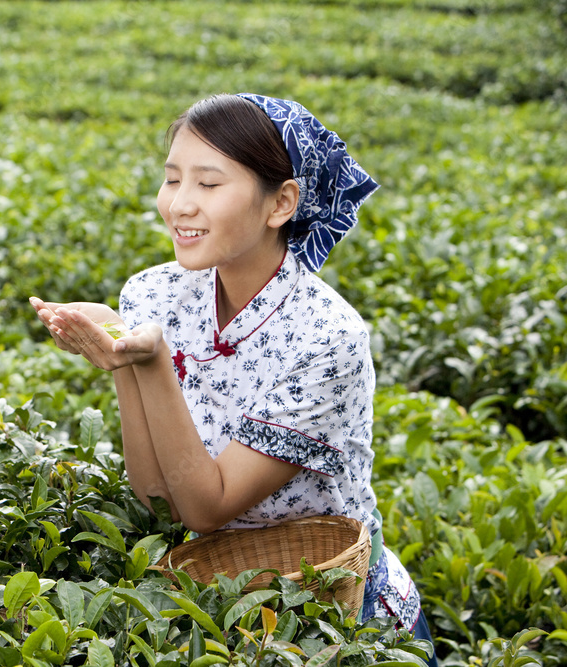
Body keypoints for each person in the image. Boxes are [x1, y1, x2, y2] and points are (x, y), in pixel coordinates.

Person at [30, 93, 437, 665]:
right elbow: (160, 503)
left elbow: (205, 508)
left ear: (281, 203)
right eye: (172, 180)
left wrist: (149, 361)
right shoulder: (154, 293)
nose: (179, 205)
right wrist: (122, 356)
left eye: (209, 184)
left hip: (334, 618)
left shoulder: (328, 337)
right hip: (224, 610)